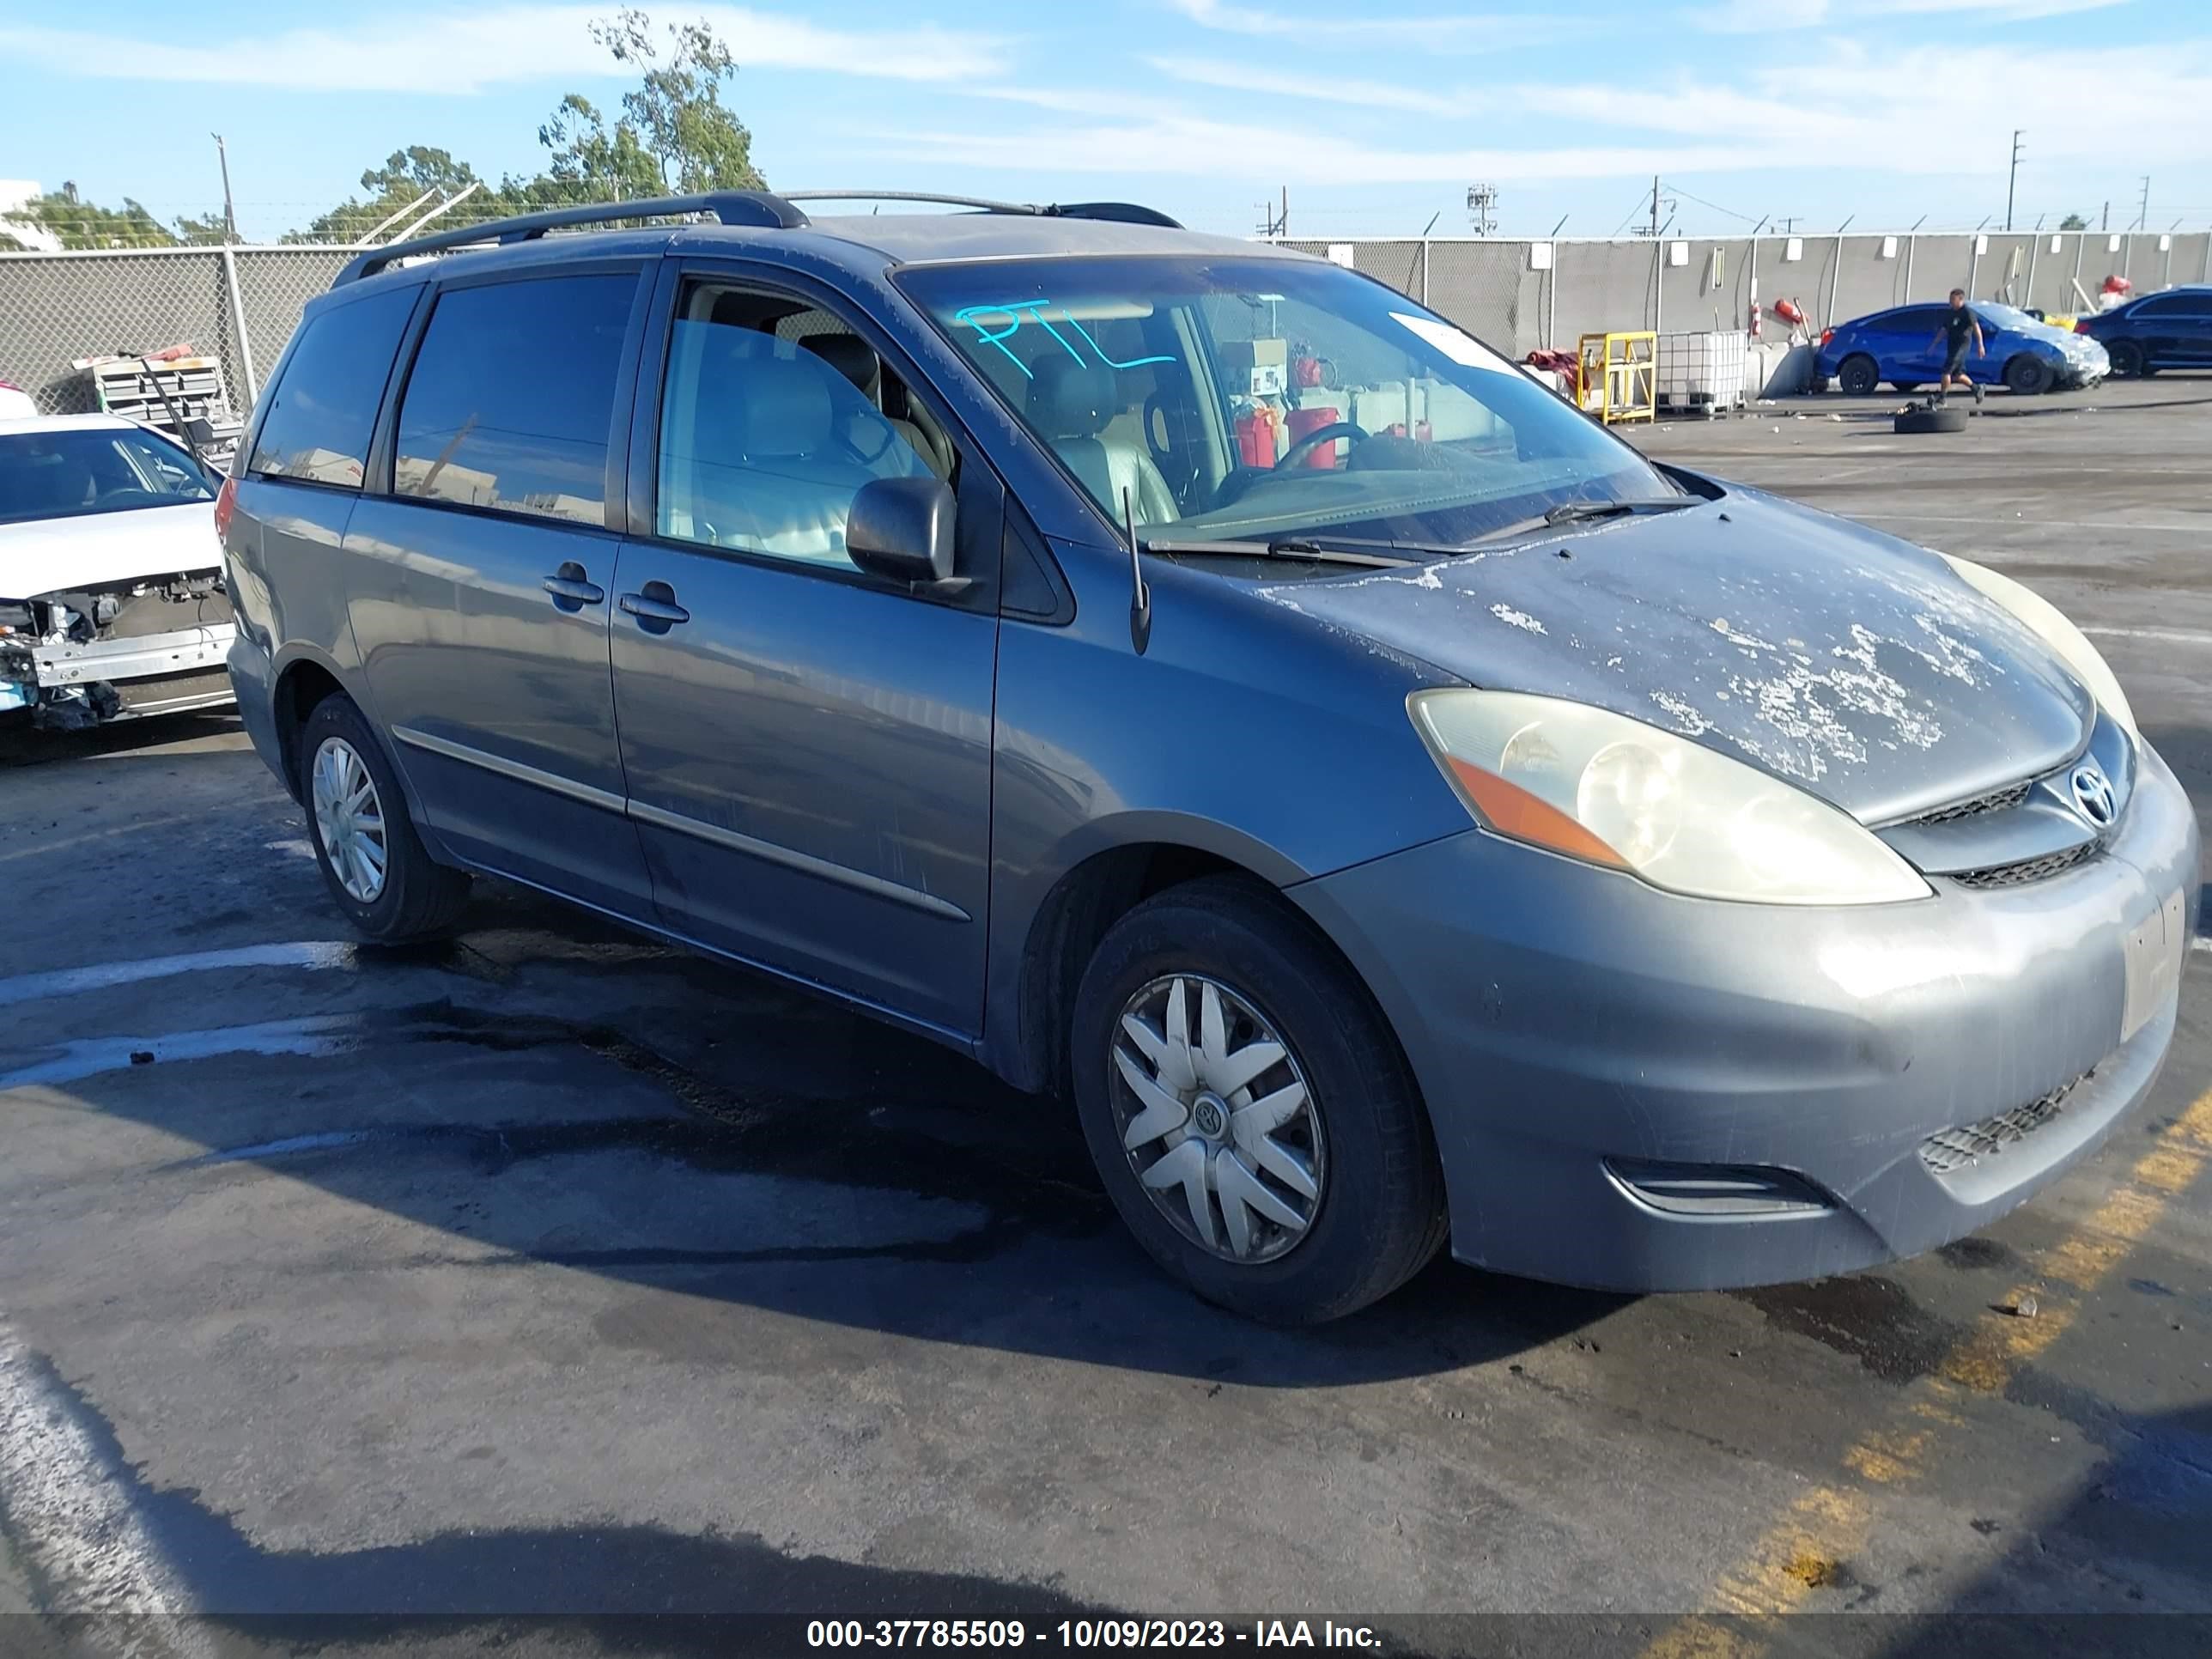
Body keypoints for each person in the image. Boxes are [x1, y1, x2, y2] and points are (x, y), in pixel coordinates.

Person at [1929, 290, 1985, 407]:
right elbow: (1944, 330)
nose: (1951, 302)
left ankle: (1942, 398)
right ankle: (1977, 388)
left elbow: (1976, 328)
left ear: (1961, 299)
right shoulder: (1951, 313)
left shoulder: (1967, 312)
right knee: (1956, 375)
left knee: (1946, 371)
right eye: (1950, 299)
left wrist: (1980, 345)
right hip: (1952, 346)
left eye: (1953, 299)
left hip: (1962, 346)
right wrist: (1934, 345)